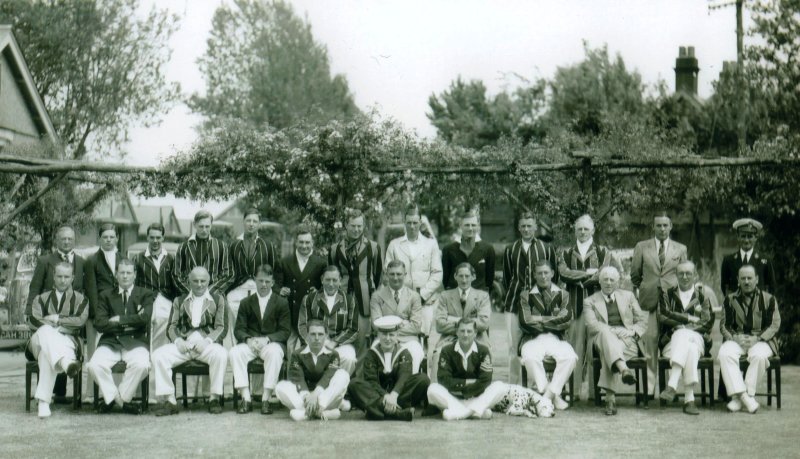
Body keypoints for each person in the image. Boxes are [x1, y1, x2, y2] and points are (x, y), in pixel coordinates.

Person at [557, 214, 622, 399]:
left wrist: (582, 278)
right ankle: (574, 391)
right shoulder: (566, 253)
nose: (583, 232)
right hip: (575, 307)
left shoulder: (603, 252)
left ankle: (596, 393)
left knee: (597, 349)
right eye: (580, 229)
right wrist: (588, 275)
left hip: (598, 309)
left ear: (593, 230)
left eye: (586, 229)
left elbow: (604, 274)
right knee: (575, 349)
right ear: (575, 231)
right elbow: (563, 273)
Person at [151, 267, 228, 415]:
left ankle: (214, 398)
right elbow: (171, 327)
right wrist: (179, 341)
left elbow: (221, 327)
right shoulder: (179, 300)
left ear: (209, 280)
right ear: (188, 281)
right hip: (185, 346)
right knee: (158, 355)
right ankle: (170, 400)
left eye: (203, 281)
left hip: (205, 346)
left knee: (222, 354)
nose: (199, 284)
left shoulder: (218, 300)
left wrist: (207, 341)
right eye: (195, 281)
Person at [87, 259, 155, 414]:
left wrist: (119, 320)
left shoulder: (145, 294)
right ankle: (121, 402)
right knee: (94, 365)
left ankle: (117, 399)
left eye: (128, 273)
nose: (125, 276)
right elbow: (99, 323)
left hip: (135, 342)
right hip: (111, 342)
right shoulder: (105, 295)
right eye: (122, 272)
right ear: (116, 275)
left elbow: (145, 318)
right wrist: (131, 323)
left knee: (142, 365)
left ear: (135, 275)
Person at [26, 225, 85, 401]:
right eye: (63, 238)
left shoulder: (82, 262)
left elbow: (84, 289)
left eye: (70, 239)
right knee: (48, 341)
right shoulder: (45, 261)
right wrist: (30, 311)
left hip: (70, 316)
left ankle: (56, 393)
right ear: (56, 240)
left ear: (74, 241)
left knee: (58, 344)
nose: (66, 242)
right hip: (46, 313)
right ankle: (57, 383)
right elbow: (35, 287)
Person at [631, 212, 687, 395]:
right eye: (658, 225)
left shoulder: (680, 249)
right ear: (653, 227)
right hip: (649, 303)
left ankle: (671, 388)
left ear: (671, 226)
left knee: (674, 343)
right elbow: (635, 276)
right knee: (650, 344)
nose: (662, 229)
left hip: (671, 304)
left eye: (665, 225)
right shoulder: (642, 247)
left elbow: (685, 274)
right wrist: (648, 288)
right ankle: (648, 390)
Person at [26, 262, 88, 418]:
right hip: (39, 342)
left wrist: (56, 318)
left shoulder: (81, 299)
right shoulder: (41, 298)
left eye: (66, 276)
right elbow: (34, 321)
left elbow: (80, 321)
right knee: (46, 331)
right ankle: (65, 363)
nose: (62, 280)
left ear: (73, 278)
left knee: (45, 355)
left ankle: (43, 402)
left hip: (68, 343)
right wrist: (60, 327)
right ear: (53, 277)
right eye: (59, 276)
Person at [501, 212, 556, 385]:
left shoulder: (546, 248)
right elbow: (507, 277)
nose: (526, 229)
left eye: (529, 226)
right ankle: (514, 385)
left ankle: (537, 384)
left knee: (538, 343)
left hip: (539, 305)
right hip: (514, 304)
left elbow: (553, 276)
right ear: (519, 227)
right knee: (513, 345)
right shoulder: (511, 249)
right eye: (523, 226)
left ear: (535, 227)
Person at [584, 266, 648, 415]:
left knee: (610, 352)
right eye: (605, 279)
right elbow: (592, 325)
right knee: (606, 336)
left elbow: (642, 320)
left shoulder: (628, 296)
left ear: (618, 282)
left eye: (612, 279)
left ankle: (610, 399)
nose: (608, 282)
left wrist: (632, 332)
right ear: (599, 282)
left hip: (628, 342)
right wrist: (612, 331)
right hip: (601, 340)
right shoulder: (590, 301)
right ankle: (624, 370)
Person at [718, 265, 781, 414]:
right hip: (738, 339)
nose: (746, 281)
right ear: (738, 280)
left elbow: (774, 324)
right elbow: (724, 325)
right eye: (743, 278)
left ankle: (740, 398)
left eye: (750, 278)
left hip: (762, 340)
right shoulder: (730, 299)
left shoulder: (769, 299)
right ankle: (746, 398)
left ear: (756, 279)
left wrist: (757, 338)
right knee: (724, 353)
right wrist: (734, 337)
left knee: (759, 356)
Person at [229, 264, 291, 414]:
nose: (264, 285)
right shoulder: (246, 302)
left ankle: (266, 399)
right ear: (255, 280)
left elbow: (285, 331)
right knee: (235, 352)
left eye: (267, 282)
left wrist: (267, 339)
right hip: (251, 343)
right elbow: (239, 329)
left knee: (275, 354)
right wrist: (249, 340)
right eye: (261, 281)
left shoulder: (281, 303)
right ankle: (246, 398)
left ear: (273, 282)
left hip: (271, 343)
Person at [657, 261, 714, 415]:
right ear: (676, 275)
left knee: (685, 335)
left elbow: (707, 322)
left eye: (688, 273)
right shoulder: (667, 295)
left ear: (694, 275)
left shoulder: (703, 298)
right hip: (670, 343)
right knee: (690, 348)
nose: (685, 276)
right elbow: (663, 316)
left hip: (698, 339)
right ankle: (689, 400)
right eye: (681, 273)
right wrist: (689, 319)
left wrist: (682, 326)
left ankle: (672, 385)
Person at [347, 316, 431, 421]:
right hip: (378, 395)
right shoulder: (371, 354)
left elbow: (404, 377)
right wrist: (386, 396)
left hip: (399, 396)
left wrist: (393, 395)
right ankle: (397, 413)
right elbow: (372, 381)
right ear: (378, 335)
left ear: (397, 336)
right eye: (384, 334)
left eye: (391, 334)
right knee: (354, 384)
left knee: (423, 379)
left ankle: (377, 410)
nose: (387, 338)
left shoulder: (404, 352)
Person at [518, 260, 576, 410]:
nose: (543, 276)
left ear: (552, 273)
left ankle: (547, 397)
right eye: (539, 273)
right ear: (534, 275)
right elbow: (525, 321)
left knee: (570, 357)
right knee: (530, 357)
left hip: (557, 338)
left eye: (546, 272)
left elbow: (567, 319)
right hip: (532, 338)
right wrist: (553, 321)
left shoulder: (563, 294)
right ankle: (552, 396)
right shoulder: (526, 295)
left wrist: (540, 319)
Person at [427, 318, 507, 420]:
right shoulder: (446, 350)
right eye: (462, 331)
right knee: (432, 389)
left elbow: (485, 380)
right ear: (456, 332)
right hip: (454, 397)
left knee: (500, 387)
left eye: (469, 331)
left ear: (475, 333)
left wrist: (465, 389)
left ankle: (461, 413)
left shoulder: (483, 350)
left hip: (477, 397)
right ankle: (476, 411)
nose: (465, 334)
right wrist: (467, 383)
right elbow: (443, 379)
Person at [133, 223, 178, 401]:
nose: (155, 241)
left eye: (158, 237)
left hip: (165, 304)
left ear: (163, 238)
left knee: (160, 350)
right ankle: (140, 393)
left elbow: (175, 284)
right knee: (142, 348)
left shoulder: (171, 259)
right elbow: (134, 285)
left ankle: (156, 395)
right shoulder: (138, 258)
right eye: (152, 237)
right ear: (147, 238)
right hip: (145, 304)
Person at [384, 204, 442, 340]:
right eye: (409, 223)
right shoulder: (394, 245)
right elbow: (387, 272)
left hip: (424, 301)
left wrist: (422, 295)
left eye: (415, 223)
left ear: (420, 223)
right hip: (399, 302)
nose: (412, 226)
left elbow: (437, 273)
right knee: (400, 335)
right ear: (405, 222)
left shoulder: (430, 244)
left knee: (424, 338)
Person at [275, 320, 351, 421]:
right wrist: (307, 396)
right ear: (307, 336)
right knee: (280, 387)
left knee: (343, 375)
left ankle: (305, 414)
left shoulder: (333, 354)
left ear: (326, 336)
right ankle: (324, 413)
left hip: (325, 396)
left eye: (320, 334)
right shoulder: (297, 354)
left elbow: (327, 377)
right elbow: (298, 379)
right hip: (304, 397)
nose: (316, 338)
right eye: (313, 334)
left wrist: (315, 395)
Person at [329, 209, 382, 353]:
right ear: (346, 225)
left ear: (364, 226)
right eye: (353, 225)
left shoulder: (373, 247)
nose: (356, 229)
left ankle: (359, 375)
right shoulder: (335, 249)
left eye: (359, 226)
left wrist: (371, 293)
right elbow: (333, 275)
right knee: (341, 337)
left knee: (362, 340)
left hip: (364, 300)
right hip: (342, 299)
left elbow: (378, 276)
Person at [226, 208, 279, 345]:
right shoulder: (233, 245)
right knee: (236, 325)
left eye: (255, 221)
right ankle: (235, 353)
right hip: (237, 290)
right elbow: (227, 269)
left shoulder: (267, 246)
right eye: (248, 220)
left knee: (256, 324)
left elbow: (274, 270)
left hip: (259, 290)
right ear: (243, 222)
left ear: (259, 224)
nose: (251, 224)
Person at [276, 226, 327, 364]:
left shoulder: (320, 263)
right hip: (290, 314)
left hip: (310, 316)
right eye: (301, 242)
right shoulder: (285, 262)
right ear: (296, 243)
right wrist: (280, 290)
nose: (304, 246)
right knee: (290, 350)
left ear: (312, 243)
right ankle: (290, 380)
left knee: (309, 351)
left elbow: (326, 287)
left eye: (307, 242)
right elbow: (276, 285)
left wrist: (318, 291)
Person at [433, 262, 491, 381]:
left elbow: (483, 324)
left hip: (477, 338)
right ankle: (435, 393)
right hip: (449, 339)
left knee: (484, 354)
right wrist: (471, 323)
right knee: (438, 354)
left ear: (473, 277)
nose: (464, 280)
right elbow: (439, 325)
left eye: (467, 276)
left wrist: (454, 320)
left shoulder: (482, 296)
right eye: (461, 276)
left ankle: (482, 391)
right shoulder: (445, 296)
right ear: (455, 276)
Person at [83, 223, 121, 400]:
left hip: (118, 311)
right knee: (94, 353)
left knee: (115, 351)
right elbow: (91, 289)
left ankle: (116, 391)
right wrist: (97, 316)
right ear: (100, 239)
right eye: (105, 237)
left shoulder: (122, 257)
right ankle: (92, 393)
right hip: (98, 313)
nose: (108, 240)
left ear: (117, 238)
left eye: (111, 237)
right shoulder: (92, 260)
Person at [297, 265, 359, 374]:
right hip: (314, 342)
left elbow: (353, 329)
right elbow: (302, 325)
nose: (331, 284)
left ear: (340, 281)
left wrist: (334, 342)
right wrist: (315, 342)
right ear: (322, 280)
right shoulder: (309, 299)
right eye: (328, 280)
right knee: (302, 356)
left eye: (334, 280)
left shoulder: (349, 300)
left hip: (339, 344)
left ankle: (340, 388)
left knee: (349, 358)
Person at [370, 260, 424, 373]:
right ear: (386, 275)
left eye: (399, 274)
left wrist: (386, 324)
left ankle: (409, 387)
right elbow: (376, 325)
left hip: (408, 340)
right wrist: (402, 323)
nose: (395, 278)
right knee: (376, 355)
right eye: (392, 274)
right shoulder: (377, 296)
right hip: (384, 339)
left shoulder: (414, 296)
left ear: (405, 275)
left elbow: (416, 326)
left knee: (415, 353)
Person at [173, 210, 233, 297]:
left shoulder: (221, 246)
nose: (204, 230)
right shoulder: (184, 247)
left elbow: (229, 274)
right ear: (194, 225)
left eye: (207, 226)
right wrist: (190, 291)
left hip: (214, 296)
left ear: (211, 225)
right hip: (189, 296)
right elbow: (176, 274)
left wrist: (210, 291)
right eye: (201, 226)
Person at [441, 210, 495, 292]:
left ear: (477, 226)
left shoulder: (488, 249)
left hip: (479, 299)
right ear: (460, 226)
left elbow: (489, 280)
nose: (470, 228)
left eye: (473, 225)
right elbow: (446, 279)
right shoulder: (448, 250)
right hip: (455, 298)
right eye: (467, 225)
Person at [720, 218, 776, 297]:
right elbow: (725, 287)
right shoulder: (728, 261)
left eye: (750, 237)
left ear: (755, 238)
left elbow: (771, 286)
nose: (746, 240)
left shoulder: (765, 260)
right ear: (738, 237)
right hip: (736, 306)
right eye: (743, 236)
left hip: (758, 306)